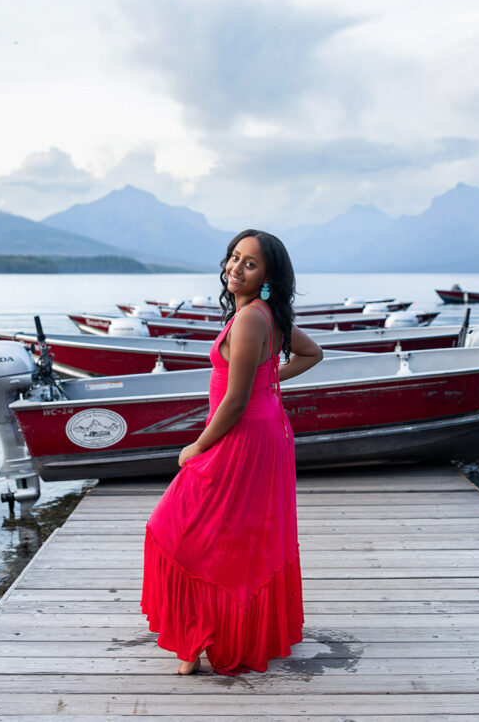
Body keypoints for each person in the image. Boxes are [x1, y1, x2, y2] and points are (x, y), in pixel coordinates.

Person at [141, 230, 324, 676]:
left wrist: (197, 446)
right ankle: (210, 635)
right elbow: (311, 353)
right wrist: (272, 378)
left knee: (175, 526)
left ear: (267, 277)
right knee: (239, 533)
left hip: (243, 433)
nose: (235, 268)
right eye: (234, 258)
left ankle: (196, 638)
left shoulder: (250, 320)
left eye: (250, 264)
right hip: (268, 430)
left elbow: (236, 401)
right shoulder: (266, 314)